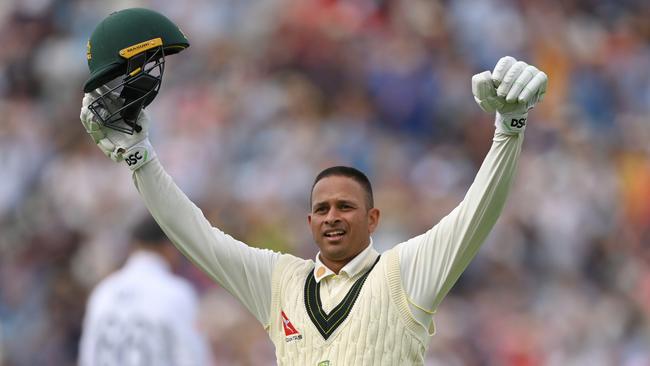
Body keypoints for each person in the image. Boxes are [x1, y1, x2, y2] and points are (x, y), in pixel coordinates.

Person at [79, 9, 548, 365]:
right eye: (321, 209)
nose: (332, 217)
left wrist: (509, 126)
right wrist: (140, 158)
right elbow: (195, 235)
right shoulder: (281, 282)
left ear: (373, 219)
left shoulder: (406, 274)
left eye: (346, 206)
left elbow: (476, 215)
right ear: (308, 222)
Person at [78, 217, 211, 366]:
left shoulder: (103, 291)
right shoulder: (177, 294)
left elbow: (88, 356)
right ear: (169, 247)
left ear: (134, 246)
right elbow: (192, 358)